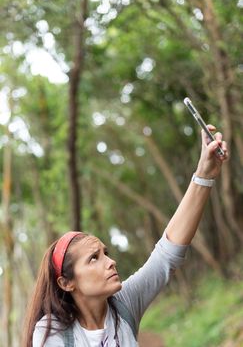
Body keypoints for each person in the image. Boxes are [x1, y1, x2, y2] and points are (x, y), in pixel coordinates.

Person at [22, 125, 228, 347]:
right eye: (93, 258)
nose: (111, 262)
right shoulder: (53, 333)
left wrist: (204, 174)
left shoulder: (124, 305)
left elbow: (166, 255)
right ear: (66, 282)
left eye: (105, 253)